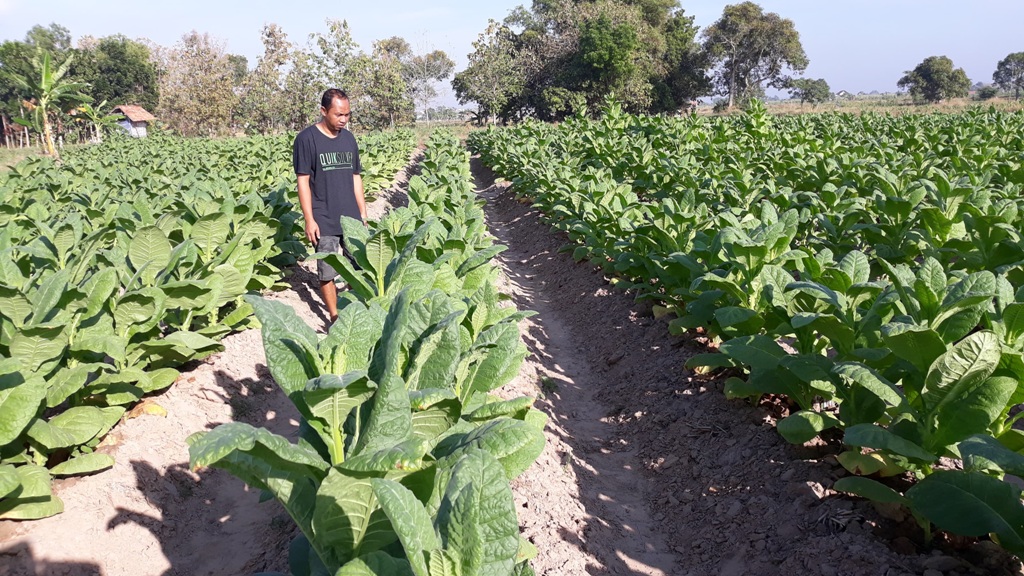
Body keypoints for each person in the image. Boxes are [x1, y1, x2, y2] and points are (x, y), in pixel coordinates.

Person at [292, 88, 367, 324]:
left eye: (347, 114)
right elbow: (303, 181)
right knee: (327, 271)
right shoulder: (306, 139)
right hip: (323, 217)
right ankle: (334, 318)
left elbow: (356, 177)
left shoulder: (349, 139)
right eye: (338, 114)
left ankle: (355, 314)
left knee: (358, 268)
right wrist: (309, 219)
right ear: (324, 111)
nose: (344, 119)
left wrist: (362, 212)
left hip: (351, 216)